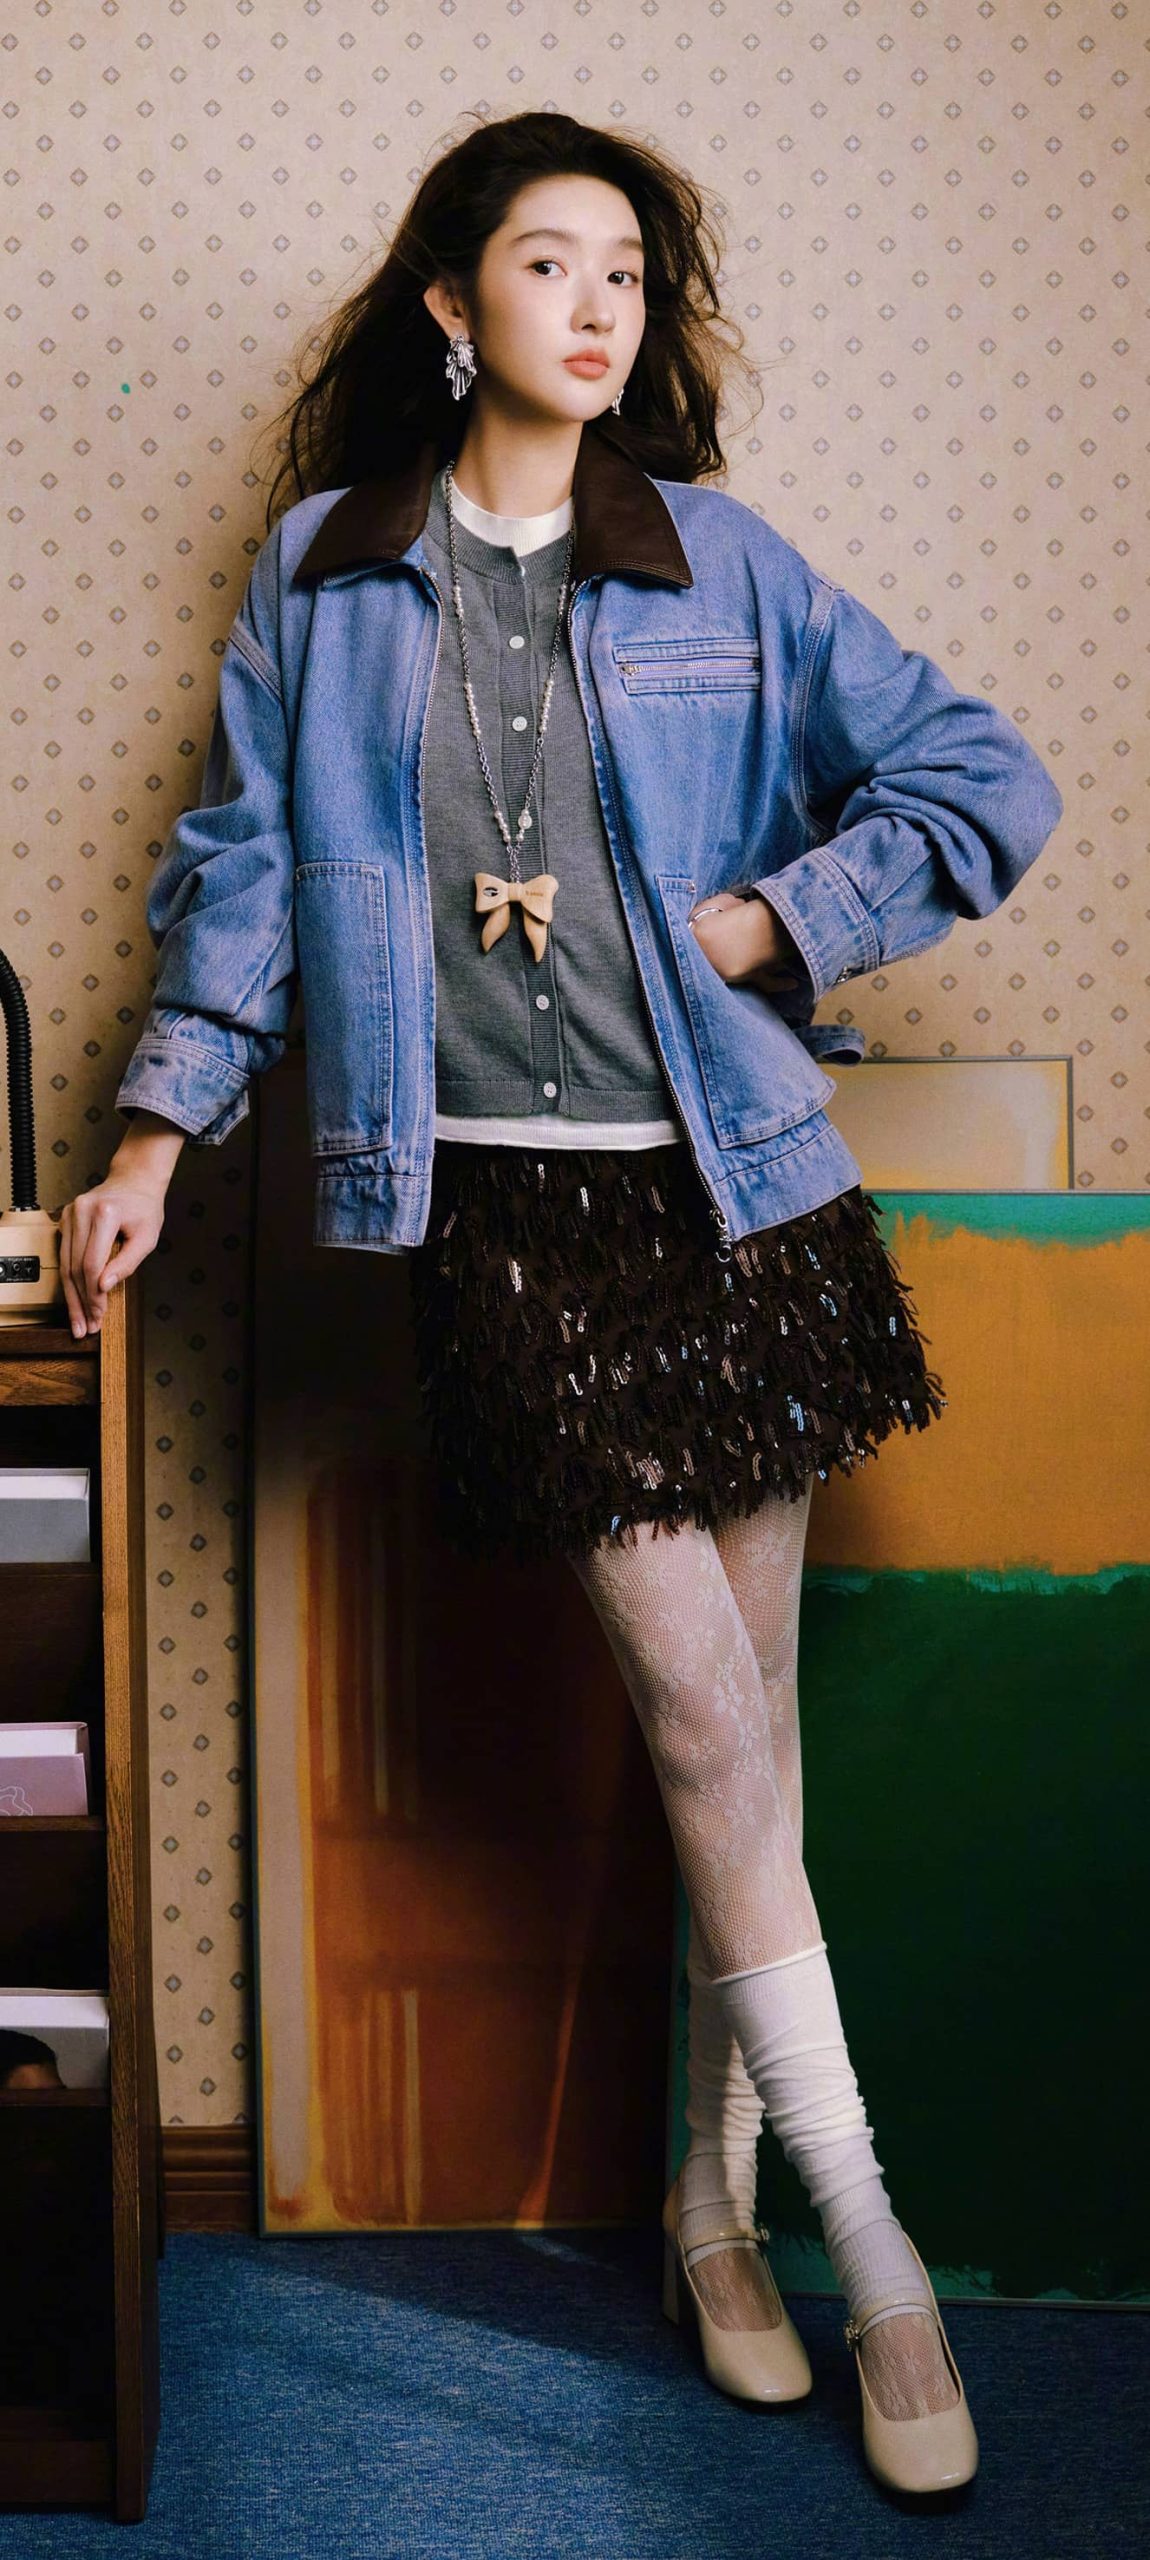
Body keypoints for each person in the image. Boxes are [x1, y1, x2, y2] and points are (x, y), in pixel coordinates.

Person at [59, 111, 1062, 2497]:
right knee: (709, 1730)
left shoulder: (718, 559)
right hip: (506, 1224)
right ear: (450, 303)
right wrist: (155, 1132)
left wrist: (781, 915)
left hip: (738, 1207)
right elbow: (246, 874)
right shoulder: (326, 575)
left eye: (628, 268)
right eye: (547, 261)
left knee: (743, 1748)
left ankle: (707, 2215)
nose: (600, 304)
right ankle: (874, 2251)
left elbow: (977, 775)